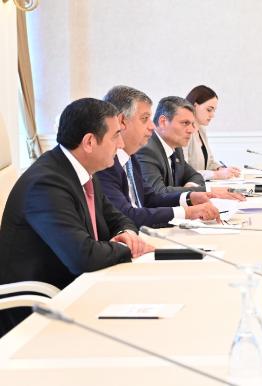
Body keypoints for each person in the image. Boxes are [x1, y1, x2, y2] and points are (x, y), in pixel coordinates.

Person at [0, 98, 153, 335]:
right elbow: (82, 257)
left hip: (76, 289)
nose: (121, 144)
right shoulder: (46, 183)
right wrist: (127, 248)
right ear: (89, 142)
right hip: (36, 310)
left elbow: (118, 218)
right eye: (115, 136)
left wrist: (126, 233)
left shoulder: (82, 171)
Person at [97, 86, 221, 228]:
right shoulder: (106, 163)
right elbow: (128, 215)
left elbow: (151, 198)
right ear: (122, 122)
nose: (152, 126)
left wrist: (188, 197)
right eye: (145, 119)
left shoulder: (130, 158)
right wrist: (186, 212)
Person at [184, 85, 241, 180]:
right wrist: (217, 175)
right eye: (209, 110)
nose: (212, 115)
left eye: (214, 111)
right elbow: (184, 172)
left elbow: (209, 162)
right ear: (194, 106)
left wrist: (221, 168)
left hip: (202, 185)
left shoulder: (201, 130)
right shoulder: (184, 132)